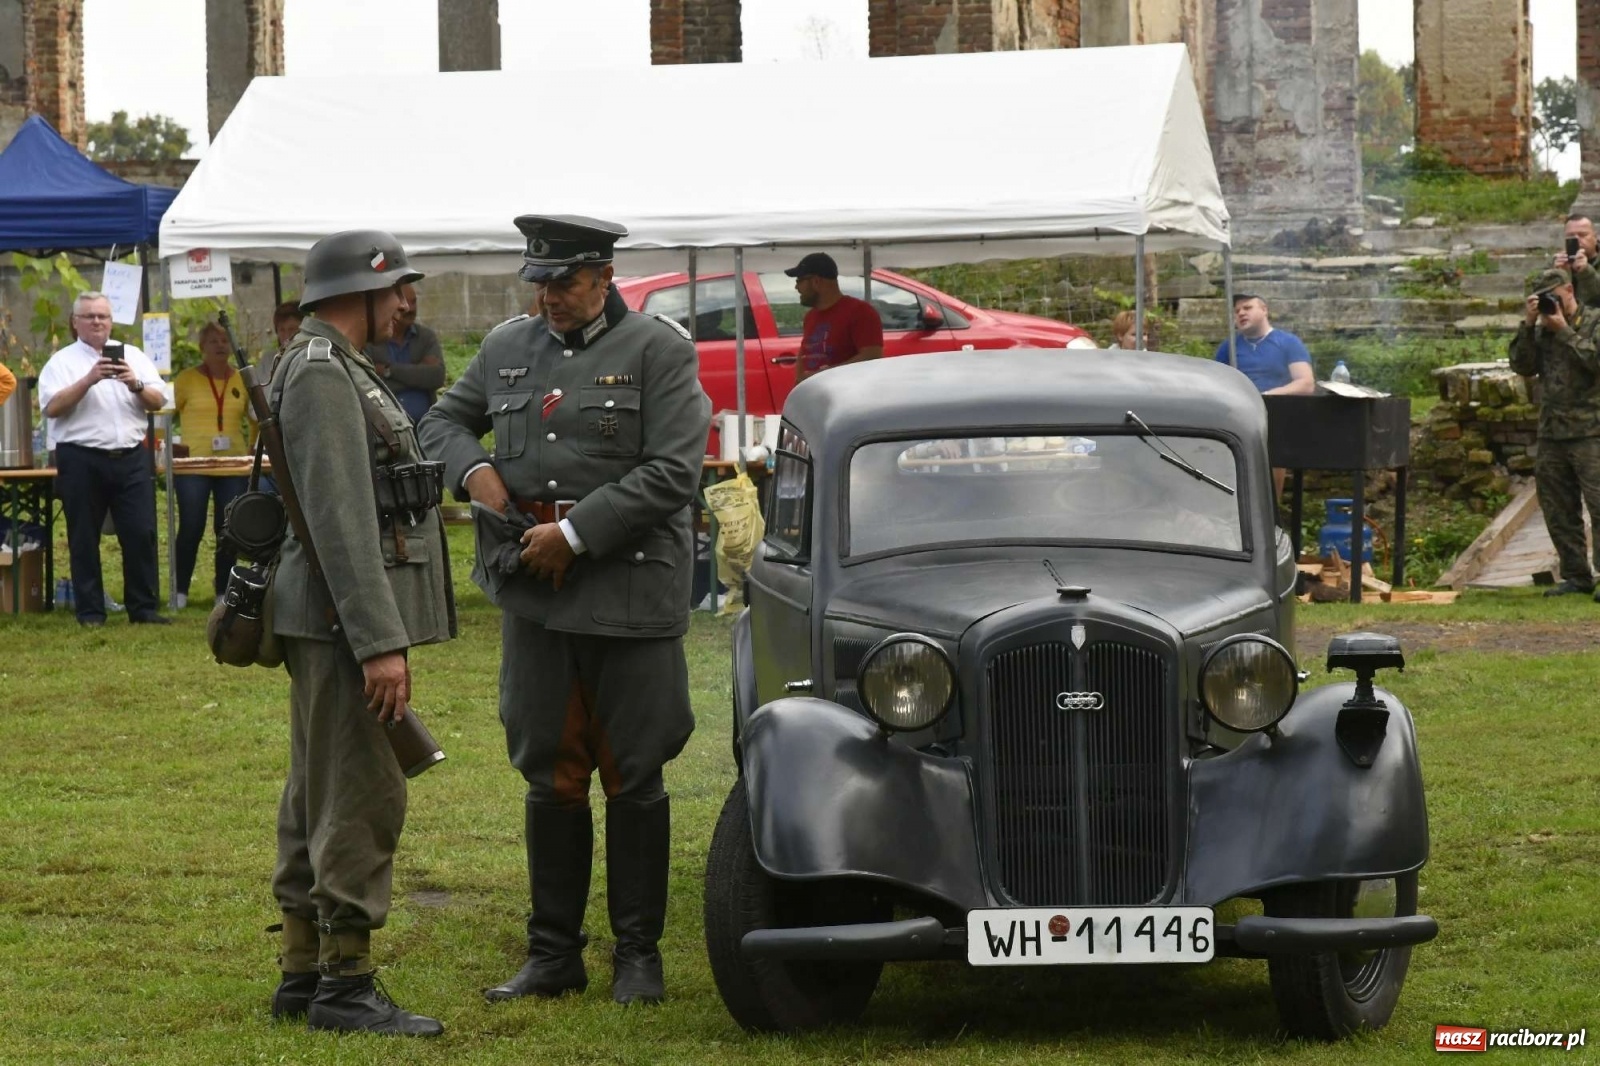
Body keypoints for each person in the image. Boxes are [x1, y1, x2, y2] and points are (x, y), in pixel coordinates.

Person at [418, 214, 710, 1008]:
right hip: (536, 594)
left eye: (566, 282)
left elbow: (675, 471)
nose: (549, 297)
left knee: (634, 770)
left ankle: (638, 956)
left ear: (604, 277)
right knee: (549, 767)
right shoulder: (509, 348)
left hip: (627, 587)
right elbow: (440, 421)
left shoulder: (659, 351)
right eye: (539, 282)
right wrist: (474, 472)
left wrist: (575, 536)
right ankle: (553, 954)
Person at [264, 231, 456, 1036]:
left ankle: (305, 974)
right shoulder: (322, 374)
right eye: (397, 289)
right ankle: (345, 985)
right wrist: (380, 641)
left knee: (321, 786)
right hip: (347, 621)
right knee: (358, 793)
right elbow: (341, 520)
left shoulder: (330, 366)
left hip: (336, 616)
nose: (409, 303)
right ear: (360, 293)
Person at [36, 292, 171, 627]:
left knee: (140, 533)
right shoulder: (62, 362)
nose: (97, 322)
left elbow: (158, 400)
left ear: (111, 321)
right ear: (75, 322)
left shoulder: (134, 356)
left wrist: (135, 383)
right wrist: (89, 379)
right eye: (90, 316)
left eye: (103, 316)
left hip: (130, 456)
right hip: (81, 458)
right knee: (84, 535)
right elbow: (52, 407)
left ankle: (143, 608)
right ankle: (91, 612)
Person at [1508, 267, 1600, 598]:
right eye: (1543, 300)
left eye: (1554, 297)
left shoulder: (1593, 321)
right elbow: (1521, 364)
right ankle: (1576, 574)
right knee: (1558, 506)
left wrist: (1564, 331)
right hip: (1551, 431)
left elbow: (1595, 361)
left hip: (1592, 429)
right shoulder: (1541, 328)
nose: (1551, 305)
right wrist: (1529, 324)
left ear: (1569, 291)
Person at [170, 322, 252, 609]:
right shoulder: (186, 379)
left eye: (224, 341)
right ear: (202, 348)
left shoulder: (241, 379)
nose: (220, 346)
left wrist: (255, 448)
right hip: (194, 465)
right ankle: (178, 591)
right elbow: (164, 414)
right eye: (213, 341)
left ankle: (223, 590)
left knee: (228, 528)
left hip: (232, 465)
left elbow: (255, 418)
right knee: (191, 526)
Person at [785, 252, 883, 383]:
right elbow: (805, 354)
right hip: (816, 396)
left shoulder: (860, 312)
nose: (796, 287)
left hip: (848, 397)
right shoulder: (811, 316)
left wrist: (823, 375)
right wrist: (800, 381)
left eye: (799, 281)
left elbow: (871, 357)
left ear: (816, 281)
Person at [365, 283, 444, 422]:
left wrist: (388, 371)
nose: (410, 308)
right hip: (386, 431)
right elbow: (370, 386)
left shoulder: (426, 337)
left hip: (425, 428)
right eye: (406, 302)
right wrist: (418, 376)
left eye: (414, 301)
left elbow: (436, 377)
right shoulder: (371, 341)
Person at [1213, 294, 1315, 395]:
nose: (1241, 313)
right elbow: (1216, 384)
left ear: (1264, 310)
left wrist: (1266, 396)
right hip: (1242, 408)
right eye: (1237, 311)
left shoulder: (1289, 342)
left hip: (1281, 406)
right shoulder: (1228, 347)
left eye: (1247, 308)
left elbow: (1306, 384)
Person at [1556, 214, 1599, 308]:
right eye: (1570, 236)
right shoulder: (1557, 262)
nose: (1577, 240)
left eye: (1582, 235)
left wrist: (1586, 272)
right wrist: (1558, 274)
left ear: (1595, 237)